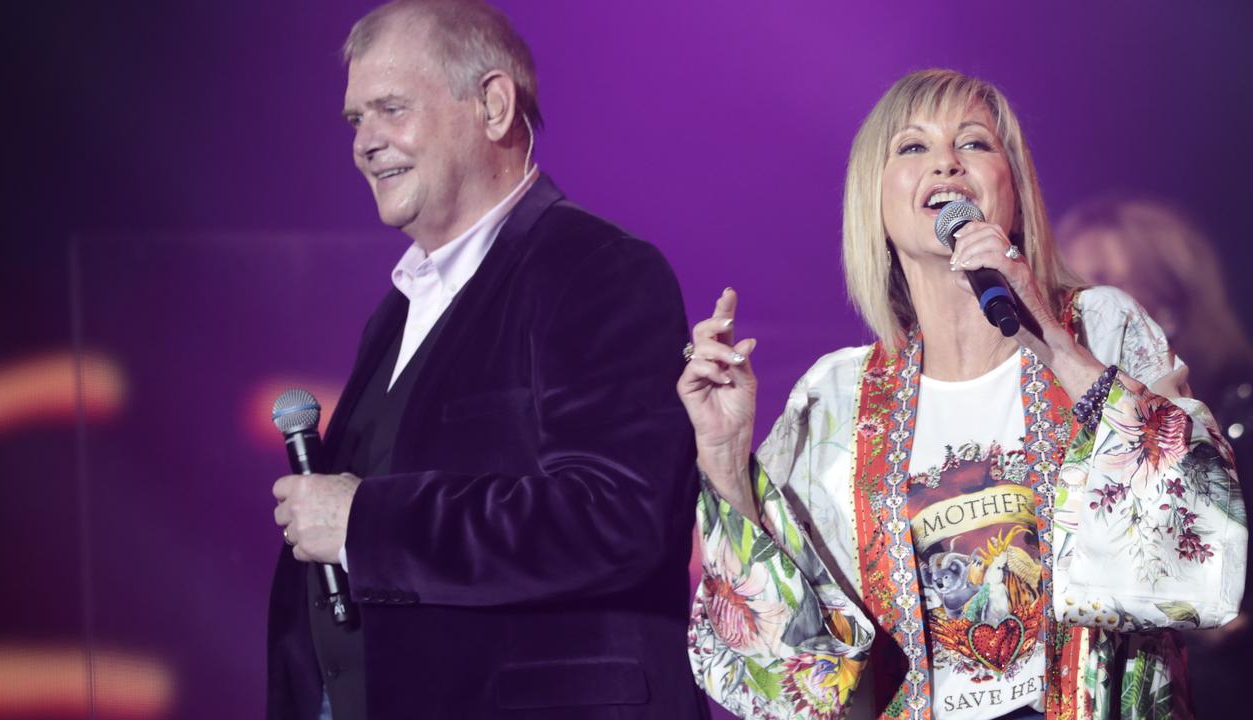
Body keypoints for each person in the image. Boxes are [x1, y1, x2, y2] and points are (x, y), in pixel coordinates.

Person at [678, 69, 1245, 720]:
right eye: (913, 147)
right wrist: (722, 456)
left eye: (973, 143)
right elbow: (792, 674)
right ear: (876, 198)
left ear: (1014, 187)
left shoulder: (1103, 326)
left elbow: (1199, 526)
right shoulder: (837, 396)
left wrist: (1056, 345)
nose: (946, 161)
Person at [267, 2, 706, 718]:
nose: (366, 143)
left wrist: (366, 524)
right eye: (356, 120)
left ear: (494, 106)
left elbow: (617, 516)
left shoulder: (597, 269)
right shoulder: (399, 310)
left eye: (390, 109)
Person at [1057, 197, 1253, 718]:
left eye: (1104, 284)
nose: (1085, 307)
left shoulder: (1235, 410)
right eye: (1074, 289)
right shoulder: (1061, 421)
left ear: (1168, 302)